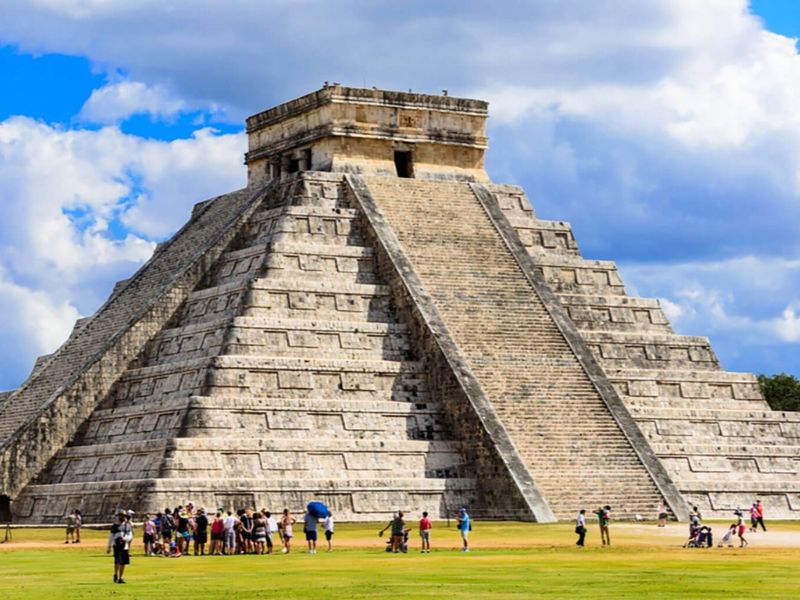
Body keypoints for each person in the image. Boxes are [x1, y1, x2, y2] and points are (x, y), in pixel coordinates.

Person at [107, 512, 133, 584]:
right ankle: (116, 574)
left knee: (123, 563)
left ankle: (120, 577)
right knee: (117, 561)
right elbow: (111, 537)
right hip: (117, 546)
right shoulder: (115, 526)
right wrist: (109, 546)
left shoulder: (127, 526)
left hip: (125, 546)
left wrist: (125, 538)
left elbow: (130, 536)